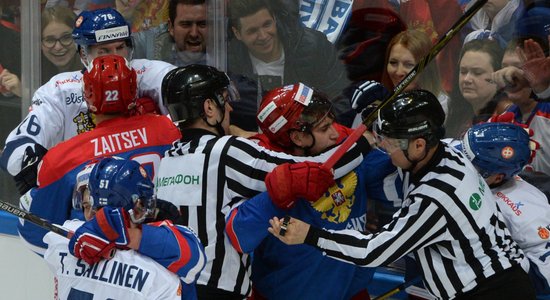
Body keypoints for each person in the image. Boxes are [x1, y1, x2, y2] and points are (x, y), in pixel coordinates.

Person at [267, 89, 536, 300]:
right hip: (495, 282)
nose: (386, 149)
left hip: (492, 292)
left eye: (392, 143)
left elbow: (375, 251)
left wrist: (310, 235)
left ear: (419, 145)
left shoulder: (436, 197)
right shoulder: (445, 152)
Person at [156, 65, 371, 299]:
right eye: (224, 101)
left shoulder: (166, 159)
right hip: (216, 289)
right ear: (209, 107)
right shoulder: (226, 150)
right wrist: (363, 141)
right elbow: (313, 171)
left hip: (171, 286)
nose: (229, 108)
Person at [224, 83, 397, 299]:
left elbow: (395, 188)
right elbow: (239, 237)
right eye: (324, 129)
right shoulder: (260, 161)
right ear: (297, 137)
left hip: (350, 293)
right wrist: (275, 196)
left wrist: (399, 140)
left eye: (331, 122)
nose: (335, 133)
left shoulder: (346, 141)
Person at [0, 7, 176, 196]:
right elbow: (19, 144)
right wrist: (29, 165)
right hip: (84, 206)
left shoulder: (148, 74)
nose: (114, 58)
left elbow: (179, 82)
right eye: (104, 50)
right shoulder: (59, 90)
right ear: (84, 55)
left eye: (120, 48)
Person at [17, 54, 181, 252]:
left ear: (87, 96)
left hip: (100, 264)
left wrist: (29, 197)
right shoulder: (171, 129)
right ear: (133, 91)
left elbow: (36, 235)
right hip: (160, 247)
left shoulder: (62, 157)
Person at [41, 157, 206, 299]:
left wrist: (120, 234)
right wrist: (122, 235)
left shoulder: (65, 243)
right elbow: (194, 258)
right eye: (85, 206)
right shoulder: (159, 271)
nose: (90, 215)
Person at [454, 122, 550, 298]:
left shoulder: (526, 210)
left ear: (498, 177)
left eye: (470, 164)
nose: (460, 164)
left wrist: (490, 272)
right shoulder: (467, 154)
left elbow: (544, 273)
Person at [227, 0, 354, 131]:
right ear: (237, 33)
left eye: (267, 24)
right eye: (252, 31)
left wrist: (312, 134)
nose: (263, 36)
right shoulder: (226, 63)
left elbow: (341, 103)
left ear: (274, 19)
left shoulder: (315, 47)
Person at [0, 6, 83, 98]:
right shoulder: (33, 70)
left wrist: (25, 93)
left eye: (66, 38)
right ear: (39, 44)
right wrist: (10, 88)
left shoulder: (93, 69)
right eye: (50, 40)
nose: (58, 47)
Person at [381, 29, 450, 117]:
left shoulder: (441, 106)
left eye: (409, 65)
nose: (399, 72)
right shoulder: (381, 102)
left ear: (427, 68)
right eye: (393, 63)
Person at [445, 39, 504, 138]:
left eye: (477, 73)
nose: (467, 79)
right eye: (463, 72)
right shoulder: (455, 114)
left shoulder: (506, 118)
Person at [133, 0, 207, 66]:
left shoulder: (218, 45)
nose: (194, 34)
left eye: (202, 24)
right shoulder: (147, 44)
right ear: (171, 27)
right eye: (186, 24)